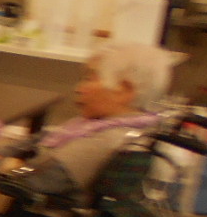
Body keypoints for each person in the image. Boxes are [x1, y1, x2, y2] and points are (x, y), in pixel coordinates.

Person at [14, 44, 176, 200]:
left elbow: (37, 181)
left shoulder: (106, 140)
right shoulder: (123, 128)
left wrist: (7, 166)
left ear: (123, 90)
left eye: (89, 78)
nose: (79, 88)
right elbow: (44, 137)